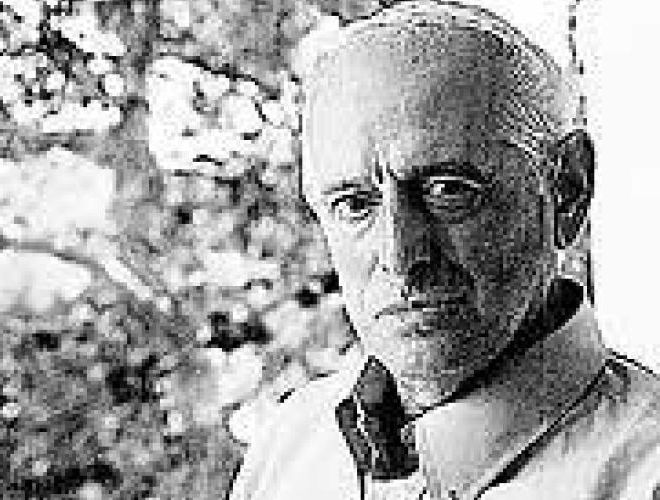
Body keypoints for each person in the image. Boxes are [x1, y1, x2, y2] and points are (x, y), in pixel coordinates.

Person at [228, 1, 660, 499]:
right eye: (355, 204)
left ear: (566, 191)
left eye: (448, 190)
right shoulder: (290, 449)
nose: (400, 256)